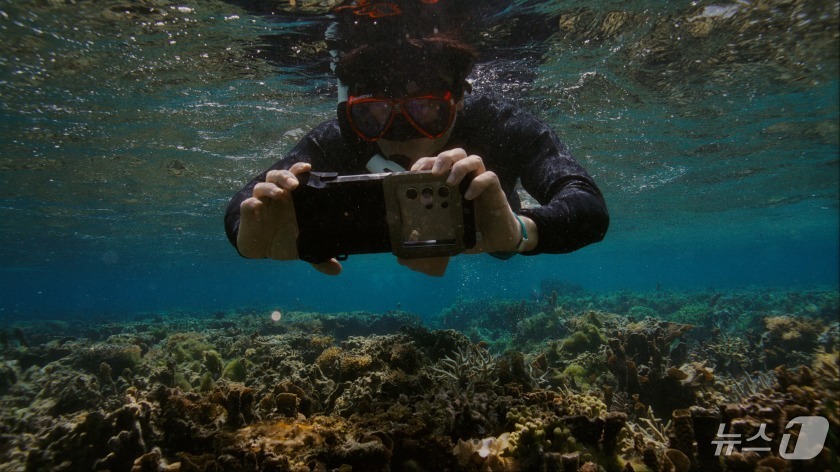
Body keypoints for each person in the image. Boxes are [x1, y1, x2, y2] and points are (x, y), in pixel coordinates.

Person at [224, 11, 608, 277]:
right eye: (373, 115)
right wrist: (247, 231)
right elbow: (245, 203)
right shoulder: (340, 139)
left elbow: (587, 205)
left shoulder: (500, 124)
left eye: (426, 112)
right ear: (351, 112)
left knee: (499, 246)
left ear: (457, 102)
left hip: (498, 223)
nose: (399, 132)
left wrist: (522, 230)